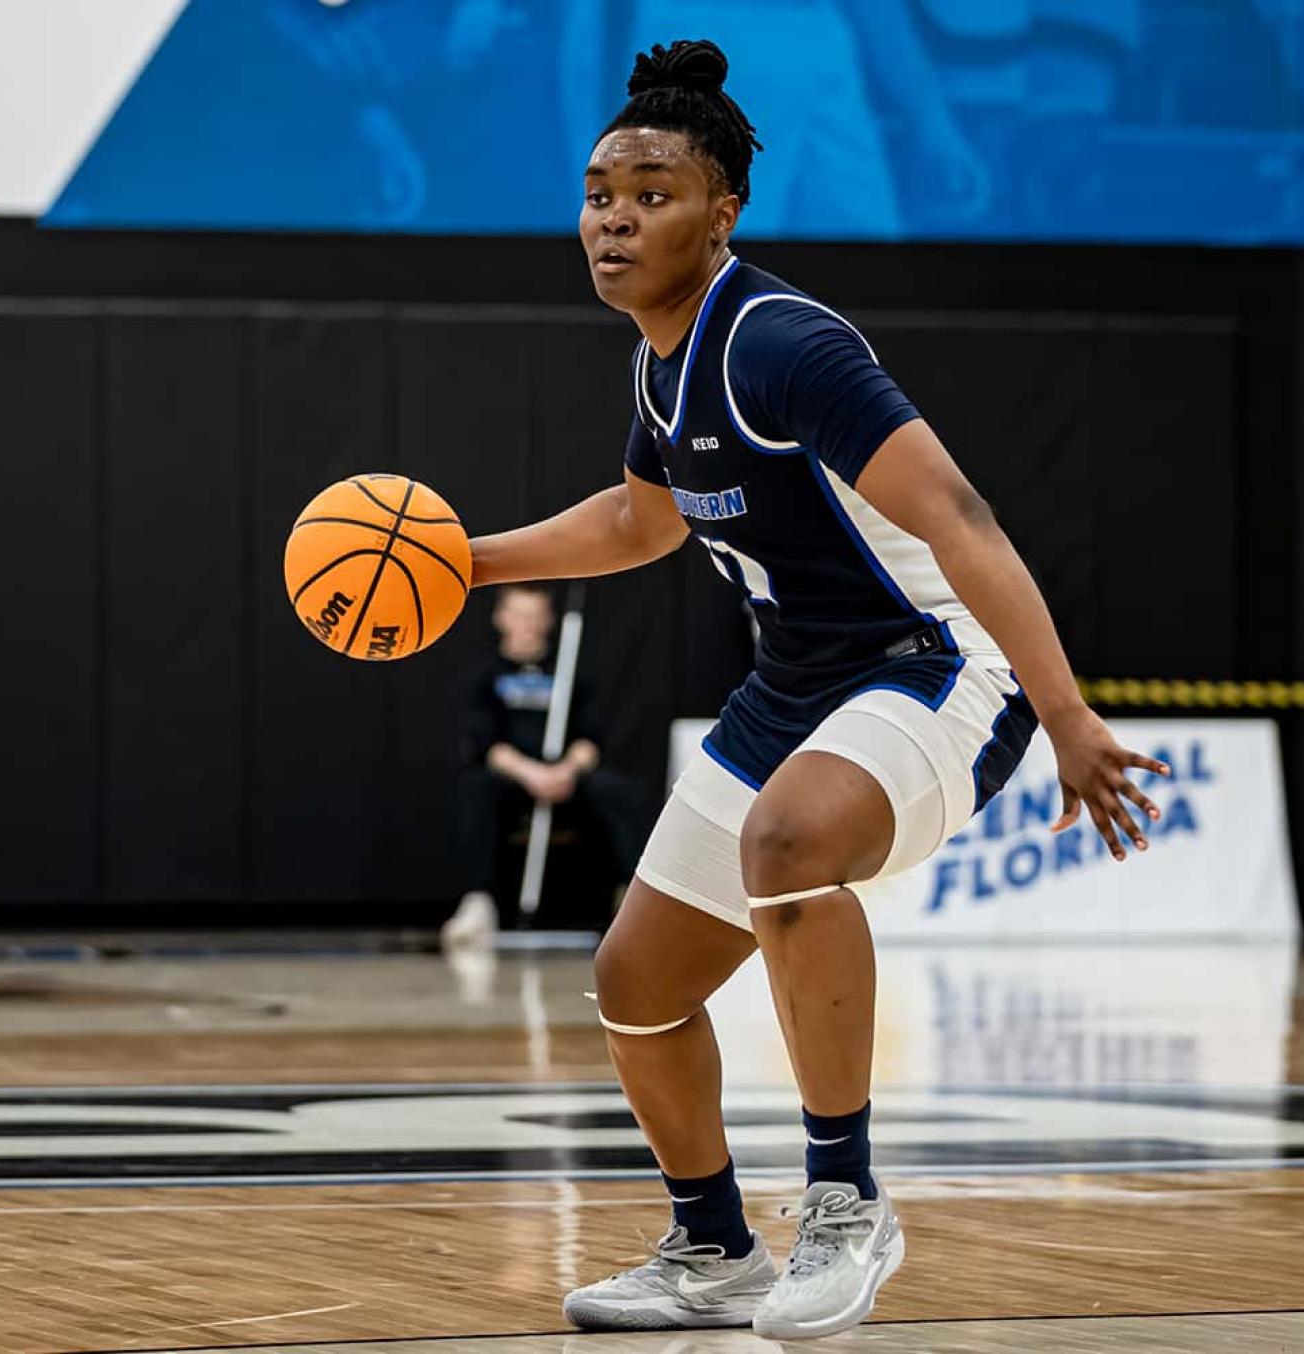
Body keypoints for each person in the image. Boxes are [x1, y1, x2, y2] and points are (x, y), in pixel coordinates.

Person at [464, 39, 1167, 1338]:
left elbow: (963, 518)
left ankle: (845, 1204)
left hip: (938, 664)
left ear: (721, 209)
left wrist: (1067, 715)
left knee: (789, 838)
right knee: (636, 984)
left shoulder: (783, 341)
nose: (615, 215)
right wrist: (465, 558)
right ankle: (712, 1244)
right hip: (795, 686)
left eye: (652, 191)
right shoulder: (659, 362)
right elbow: (640, 520)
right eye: (598, 189)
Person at [441, 584, 653, 949]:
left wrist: (566, 770)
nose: (528, 625)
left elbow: (591, 740)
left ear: (549, 621)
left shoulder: (569, 670)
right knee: (476, 789)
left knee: (622, 792)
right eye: (519, 616)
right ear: (501, 618)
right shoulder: (486, 674)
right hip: (514, 778)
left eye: (535, 616)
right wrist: (532, 774)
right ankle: (477, 904)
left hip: (567, 777)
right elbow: (486, 746)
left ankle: (632, 903)